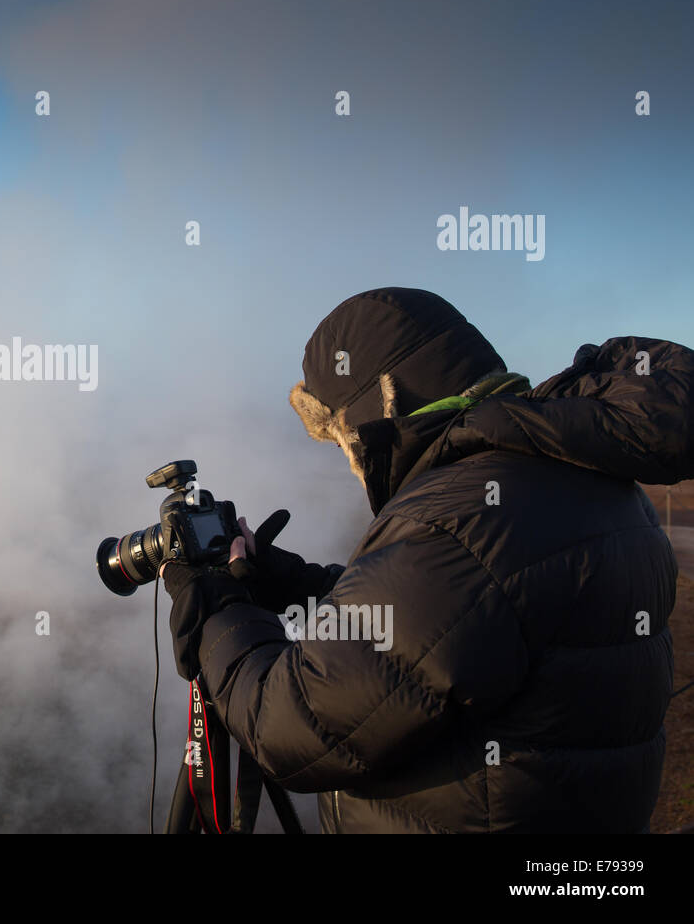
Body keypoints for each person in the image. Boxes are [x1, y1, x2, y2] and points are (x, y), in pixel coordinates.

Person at [161, 287, 691, 832]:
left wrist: (220, 610)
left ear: (385, 407)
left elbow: (290, 726)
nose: (350, 465)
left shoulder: (457, 520)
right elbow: (463, 624)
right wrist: (299, 587)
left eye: (345, 441)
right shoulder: (580, 478)